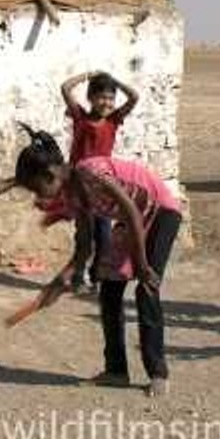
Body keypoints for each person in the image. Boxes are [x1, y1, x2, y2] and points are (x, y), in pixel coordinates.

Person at [0, 124, 181, 398]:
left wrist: (141, 266)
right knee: (109, 288)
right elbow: (84, 248)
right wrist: (59, 282)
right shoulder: (71, 196)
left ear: (50, 174)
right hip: (131, 221)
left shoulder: (90, 171)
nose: (38, 196)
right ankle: (116, 370)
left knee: (147, 288)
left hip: (160, 211)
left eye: (37, 188)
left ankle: (158, 373)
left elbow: (130, 209)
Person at [61, 70, 139, 292]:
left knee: (104, 236)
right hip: (80, 188)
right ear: (91, 98)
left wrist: (116, 81)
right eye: (102, 97)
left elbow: (134, 97)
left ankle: (96, 277)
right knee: (84, 237)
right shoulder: (80, 118)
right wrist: (86, 75)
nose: (107, 102)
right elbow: (65, 88)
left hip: (104, 187)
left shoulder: (114, 120)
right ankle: (77, 276)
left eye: (111, 98)